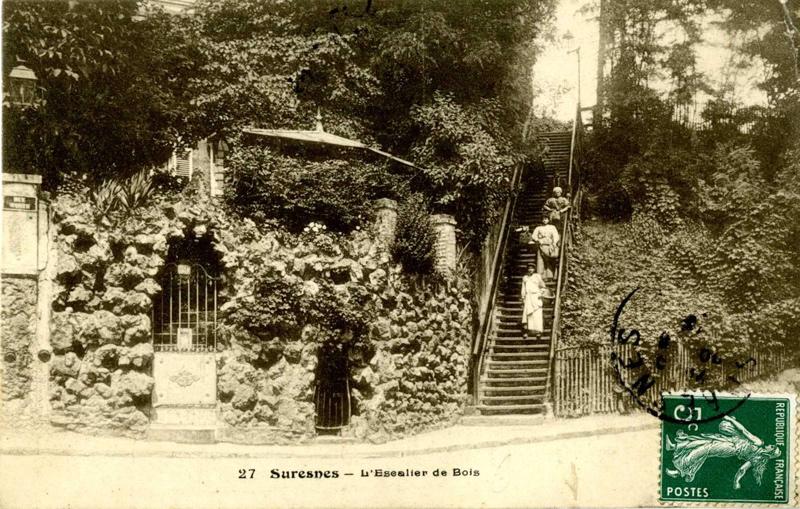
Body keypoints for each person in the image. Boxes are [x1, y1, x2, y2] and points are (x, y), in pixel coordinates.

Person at [520, 264, 549, 339]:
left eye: (532, 268)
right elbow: (523, 288)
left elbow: (543, 287)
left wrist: (540, 293)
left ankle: (538, 332)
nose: (530, 270)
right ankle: (527, 332)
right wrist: (523, 297)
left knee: (537, 315)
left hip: (536, 297)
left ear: (534, 269)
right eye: (529, 268)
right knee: (528, 315)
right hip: (528, 298)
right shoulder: (525, 278)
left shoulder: (537, 276)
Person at [531, 216, 560, 280]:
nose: (544, 220)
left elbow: (556, 235)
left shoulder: (552, 227)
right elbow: (533, 236)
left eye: (546, 219)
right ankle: (542, 276)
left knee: (551, 259)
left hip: (550, 245)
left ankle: (551, 275)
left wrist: (554, 242)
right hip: (541, 245)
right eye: (543, 219)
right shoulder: (538, 228)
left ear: (548, 220)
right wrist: (538, 240)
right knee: (541, 261)